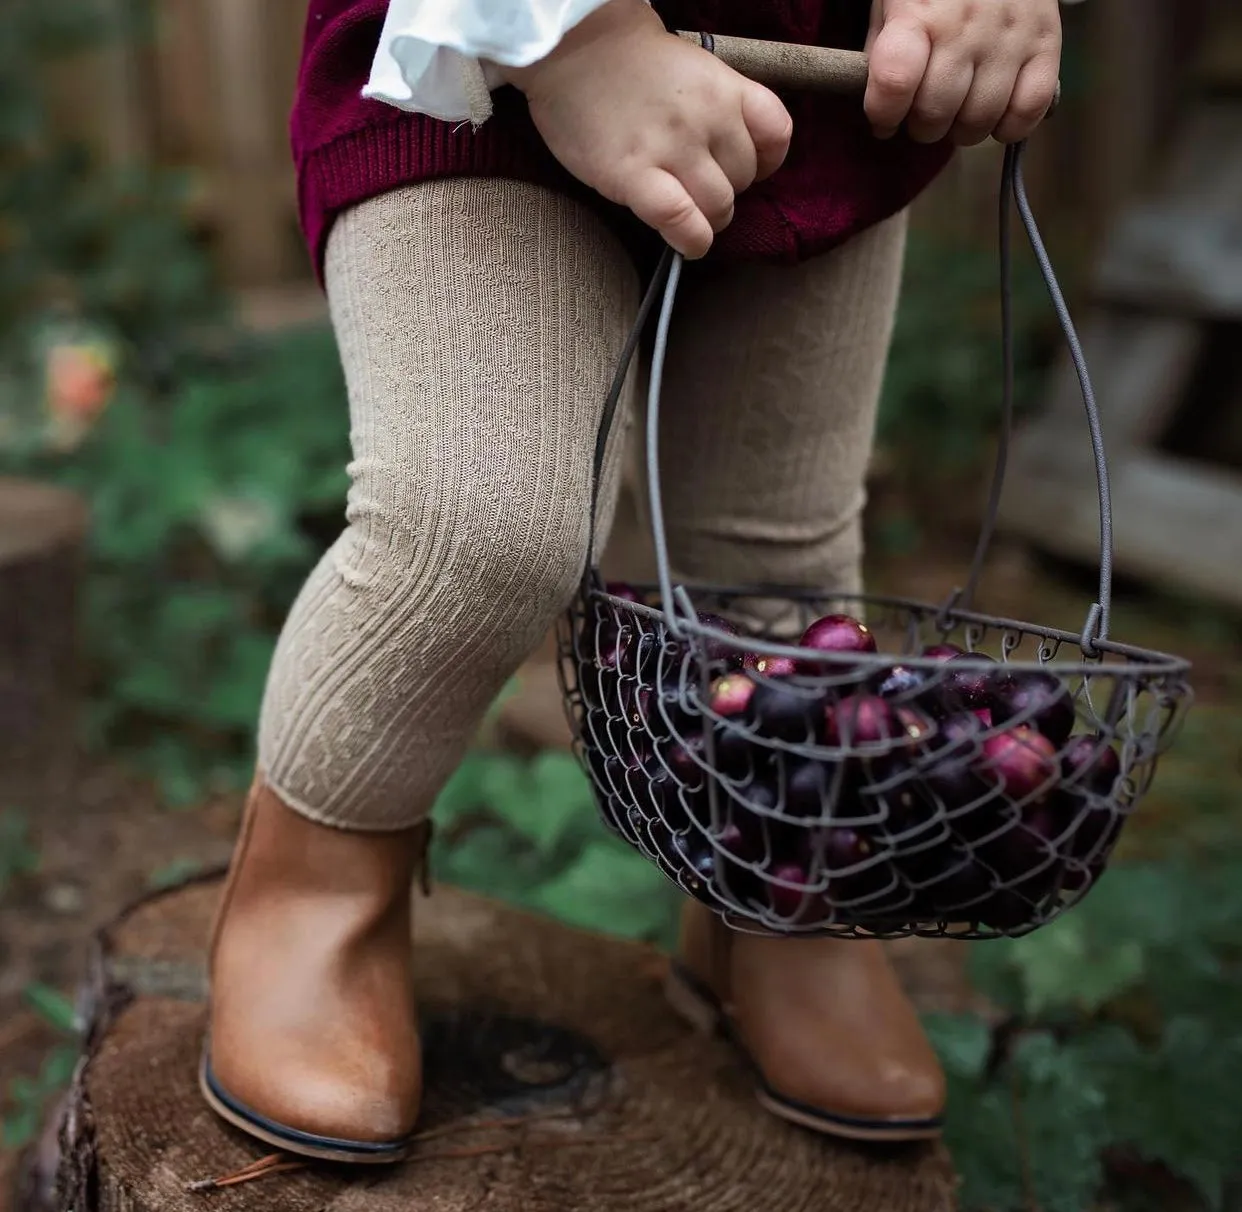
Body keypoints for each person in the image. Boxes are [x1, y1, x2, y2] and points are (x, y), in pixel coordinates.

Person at [199, 0, 1062, 1164]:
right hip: (489, 74)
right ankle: (312, 884)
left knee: (775, 581)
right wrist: (578, 38)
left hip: (819, 69)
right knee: (480, 527)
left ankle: (772, 904)